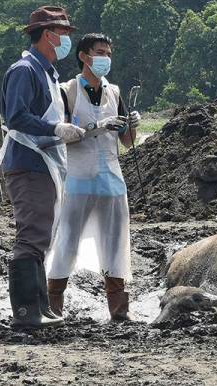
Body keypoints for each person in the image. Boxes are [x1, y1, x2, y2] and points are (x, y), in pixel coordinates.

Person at [0, 6, 86, 329]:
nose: (65, 40)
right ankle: (25, 312)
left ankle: (41, 307)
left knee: (43, 233)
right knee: (32, 233)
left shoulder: (47, 72)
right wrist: (56, 130)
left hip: (44, 162)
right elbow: (16, 116)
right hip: (28, 162)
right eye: (62, 34)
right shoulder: (24, 70)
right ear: (48, 34)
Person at [46, 33, 141, 321]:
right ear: (84, 56)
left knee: (115, 243)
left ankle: (119, 312)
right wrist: (96, 127)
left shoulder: (114, 92)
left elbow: (126, 141)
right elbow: (61, 135)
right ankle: (53, 308)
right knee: (67, 242)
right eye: (100, 52)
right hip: (78, 178)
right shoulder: (67, 92)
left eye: (109, 53)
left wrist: (131, 124)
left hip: (111, 178)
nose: (106, 59)